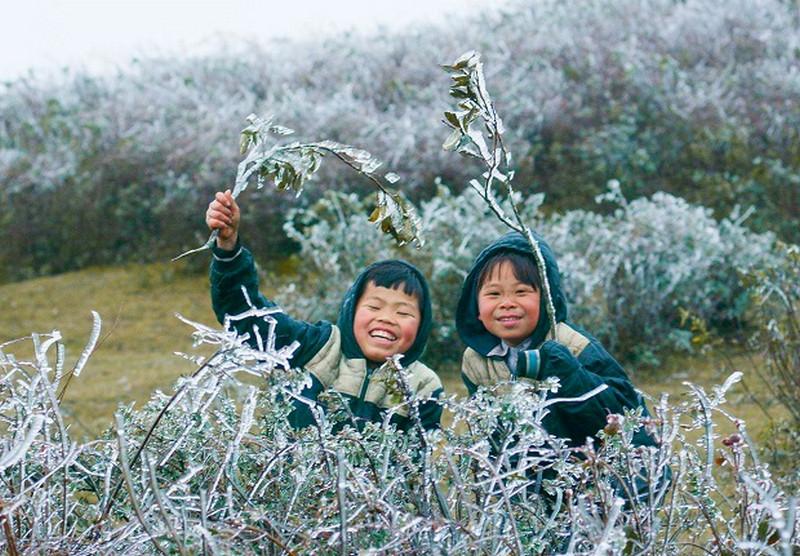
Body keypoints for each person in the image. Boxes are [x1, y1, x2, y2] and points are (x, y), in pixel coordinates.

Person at [205, 190, 443, 432]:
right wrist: (228, 248)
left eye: (403, 313)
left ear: (422, 326)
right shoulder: (315, 347)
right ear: (352, 310)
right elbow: (245, 316)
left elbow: (414, 465)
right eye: (374, 306)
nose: (386, 318)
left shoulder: (423, 386)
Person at [456, 231, 655, 448]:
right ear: (475, 307)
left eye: (521, 292)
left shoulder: (574, 346)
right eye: (494, 294)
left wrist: (570, 374)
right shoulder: (476, 359)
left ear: (548, 299)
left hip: (584, 467)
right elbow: (486, 433)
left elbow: (623, 416)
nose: (507, 303)